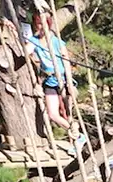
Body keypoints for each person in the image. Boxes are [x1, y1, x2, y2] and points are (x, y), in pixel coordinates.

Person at [23, 12, 85, 148]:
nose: (41, 27)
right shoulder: (34, 40)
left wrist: (69, 81)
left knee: (68, 111)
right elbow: (26, 51)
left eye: (43, 24)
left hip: (62, 78)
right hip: (50, 80)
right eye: (38, 23)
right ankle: (77, 134)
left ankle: (77, 140)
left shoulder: (57, 41)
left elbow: (66, 62)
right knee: (52, 114)